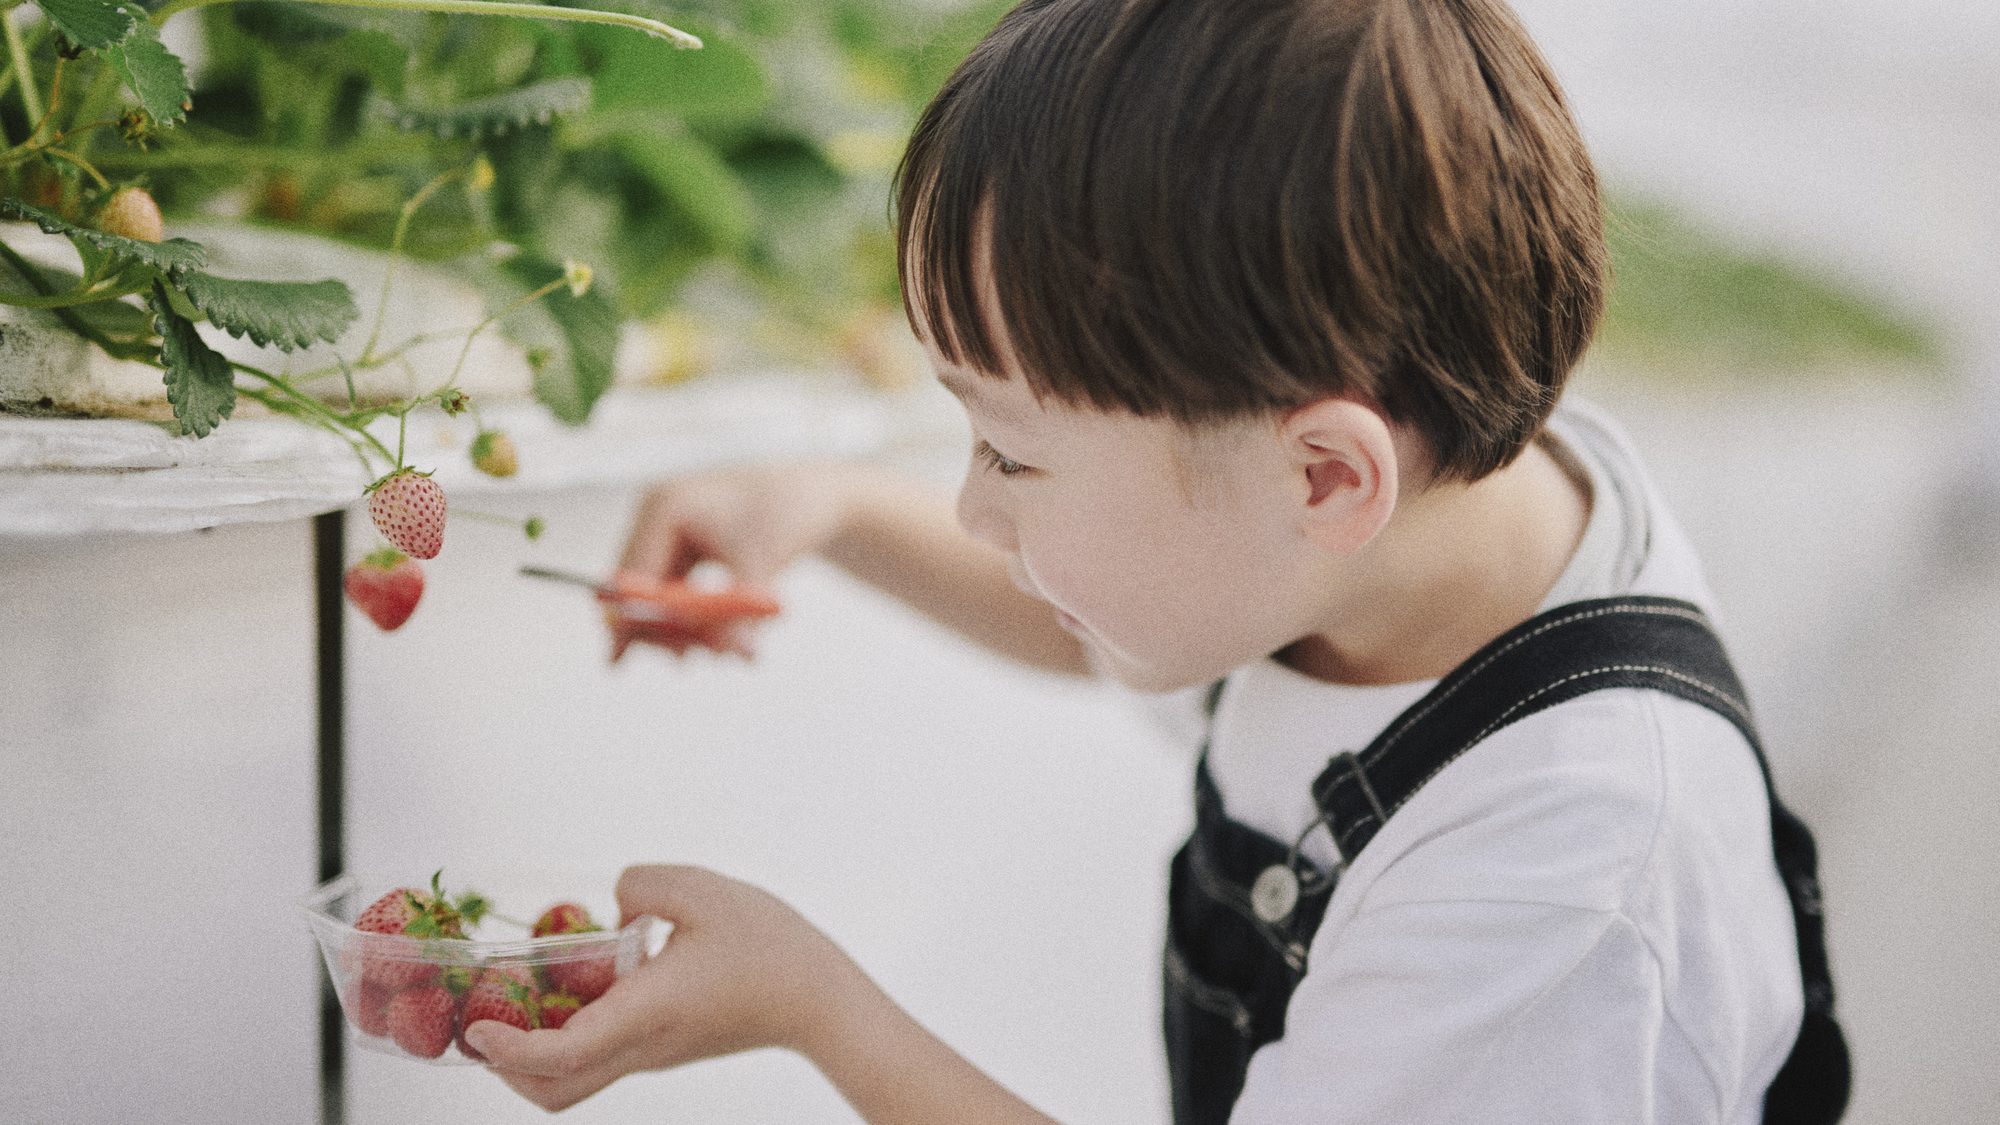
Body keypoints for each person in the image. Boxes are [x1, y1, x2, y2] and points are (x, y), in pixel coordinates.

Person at [465, 0, 1846, 1121]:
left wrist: (816, 1010)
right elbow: (1107, 616)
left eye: (1010, 453)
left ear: (1323, 475)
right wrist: (828, 510)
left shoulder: (1559, 884)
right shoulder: (1411, 530)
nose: (976, 506)